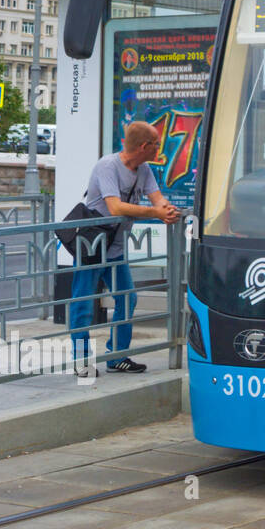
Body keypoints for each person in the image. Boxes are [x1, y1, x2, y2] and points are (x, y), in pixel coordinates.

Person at [70, 122, 181, 375]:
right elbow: (116, 207)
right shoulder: (107, 166)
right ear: (144, 146)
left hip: (116, 249)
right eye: (156, 144)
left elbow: (157, 198)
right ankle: (80, 360)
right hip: (92, 246)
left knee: (127, 298)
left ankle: (117, 356)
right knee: (83, 304)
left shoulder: (144, 170)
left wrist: (167, 209)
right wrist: (155, 213)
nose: (159, 149)